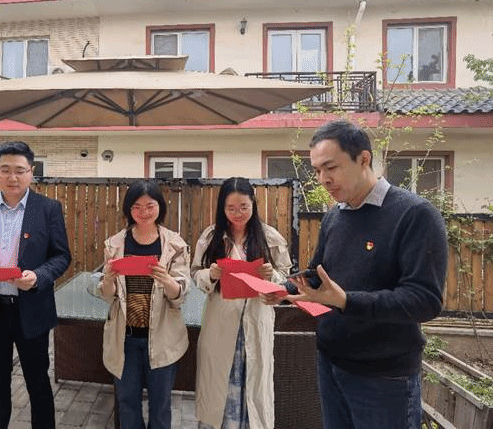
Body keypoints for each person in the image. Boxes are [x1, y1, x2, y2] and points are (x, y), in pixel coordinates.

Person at [274, 120, 448, 429]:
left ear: (364, 159)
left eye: (331, 167)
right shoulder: (334, 217)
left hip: (384, 377)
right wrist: (282, 290)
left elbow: (425, 300)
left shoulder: (415, 214)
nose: (323, 179)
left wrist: (346, 301)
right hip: (330, 362)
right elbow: (317, 275)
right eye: (317, 170)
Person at [0, 141, 71, 429]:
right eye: (5, 170)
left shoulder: (48, 208)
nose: (12, 177)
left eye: (20, 170)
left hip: (31, 308)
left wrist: (38, 276)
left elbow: (61, 256)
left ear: (31, 172)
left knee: (38, 383)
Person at [191, 177, 291, 429]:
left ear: (253, 204)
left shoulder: (269, 237)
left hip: (255, 322)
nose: (238, 213)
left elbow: (286, 277)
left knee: (254, 387)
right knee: (218, 388)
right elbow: (195, 273)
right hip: (220, 323)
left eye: (244, 207)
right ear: (222, 208)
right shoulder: (211, 237)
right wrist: (211, 274)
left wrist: (272, 275)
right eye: (231, 208)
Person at [96, 179, 190, 429]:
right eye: (136, 207)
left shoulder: (174, 245)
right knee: (127, 403)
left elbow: (180, 295)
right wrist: (108, 280)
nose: (144, 212)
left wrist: (167, 279)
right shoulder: (115, 244)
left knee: (160, 406)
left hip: (162, 338)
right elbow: (108, 296)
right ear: (129, 210)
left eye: (150, 206)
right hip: (125, 338)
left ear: (160, 206)